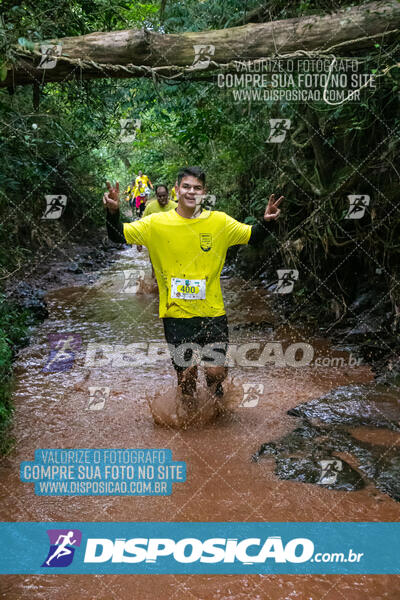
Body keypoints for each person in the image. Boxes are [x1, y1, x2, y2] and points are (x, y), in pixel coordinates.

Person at [104, 166, 283, 409]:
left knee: (215, 370)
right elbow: (118, 235)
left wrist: (268, 222)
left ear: (204, 192)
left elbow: (253, 236)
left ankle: (216, 396)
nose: (191, 191)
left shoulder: (219, 221)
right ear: (177, 189)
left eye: (197, 187)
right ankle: (190, 424)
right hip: (176, 315)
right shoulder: (155, 223)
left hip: (212, 312)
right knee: (186, 378)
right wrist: (113, 213)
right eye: (186, 186)